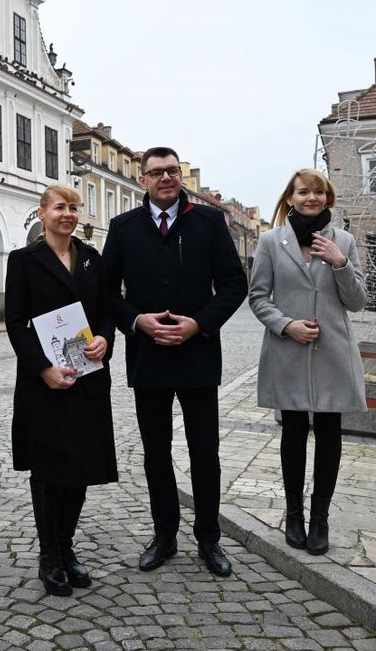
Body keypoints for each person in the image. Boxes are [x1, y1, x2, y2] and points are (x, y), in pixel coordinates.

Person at [102, 146, 248, 578]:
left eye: (172, 171)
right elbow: (107, 293)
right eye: (156, 172)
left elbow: (233, 284)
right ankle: (164, 535)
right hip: (148, 358)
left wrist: (199, 324)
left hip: (198, 354)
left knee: (205, 451)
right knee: (156, 453)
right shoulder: (123, 227)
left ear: (179, 176)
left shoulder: (207, 222)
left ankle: (209, 539)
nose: (165, 178)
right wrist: (136, 321)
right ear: (142, 179)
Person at [4, 185, 117, 597]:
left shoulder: (92, 259)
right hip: (44, 385)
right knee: (50, 469)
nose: (66, 214)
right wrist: (42, 370)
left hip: (87, 378)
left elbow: (105, 310)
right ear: (42, 213)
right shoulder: (24, 260)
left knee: (82, 466)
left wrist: (105, 338)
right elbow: (15, 323)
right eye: (59, 208)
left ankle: (67, 548)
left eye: (72, 208)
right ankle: (49, 555)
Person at [248, 168, 367, 555]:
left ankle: (320, 519)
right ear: (290, 199)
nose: (310, 198)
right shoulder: (270, 242)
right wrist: (287, 326)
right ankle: (294, 514)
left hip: (333, 352)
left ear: (327, 198)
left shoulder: (344, 241)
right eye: (303, 192)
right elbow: (259, 297)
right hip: (289, 351)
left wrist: (339, 262)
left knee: (330, 434)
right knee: (294, 433)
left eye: (318, 192)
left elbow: (358, 301)